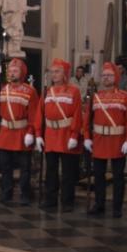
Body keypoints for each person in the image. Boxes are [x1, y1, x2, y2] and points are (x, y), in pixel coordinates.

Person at [83, 63, 127, 218]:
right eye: (104, 75)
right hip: (99, 140)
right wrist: (87, 138)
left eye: (109, 75)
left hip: (118, 140)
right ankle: (99, 204)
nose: (106, 78)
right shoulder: (95, 96)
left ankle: (117, 207)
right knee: (99, 175)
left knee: (118, 177)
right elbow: (87, 120)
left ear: (116, 77)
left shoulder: (125, 97)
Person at [35, 58, 83, 212]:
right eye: (52, 72)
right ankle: (50, 199)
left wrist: (74, 135)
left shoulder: (74, 91)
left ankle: (67, 201)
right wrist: (38, 134)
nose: (54, 74)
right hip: (50, 134)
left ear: (65, 74)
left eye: (57, 72)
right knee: (51, 170)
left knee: (68, 171)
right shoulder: (47, 92)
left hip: (66, 134)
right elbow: (39, 113)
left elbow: (77, 114)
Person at [0, 58, 39, 205]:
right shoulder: (3, 90)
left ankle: (25, 194)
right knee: (5, 166)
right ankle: (7, 193)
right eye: (10, 71)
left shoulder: (30, 91)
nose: (12, 73)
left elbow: (34, 114)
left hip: (21, 133)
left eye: (15, 71)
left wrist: (31, 132)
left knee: (25, 167)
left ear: (22, 72)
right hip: (5, 132)